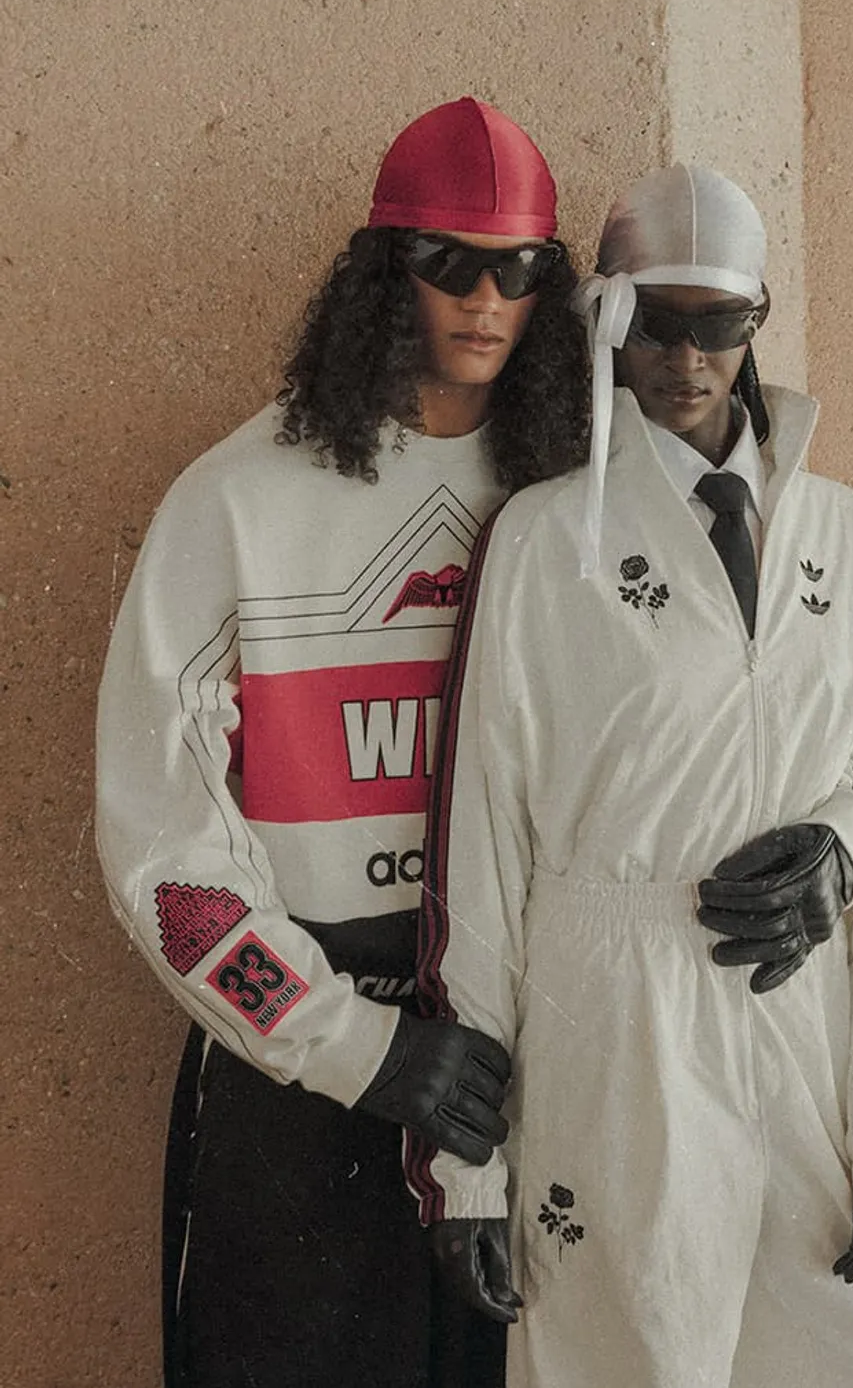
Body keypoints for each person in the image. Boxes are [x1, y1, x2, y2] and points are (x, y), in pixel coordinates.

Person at [410, 164, 853, 1386]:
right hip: (614, 1040)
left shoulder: (847, 540)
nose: (683, 356)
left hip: (806, 1026)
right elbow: (481, 848)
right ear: (604, 318)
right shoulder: (542, 543)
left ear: (758, 319)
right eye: (651, 320)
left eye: (717, 323)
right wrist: (465, 1166)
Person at [95, 96, 589, 1388]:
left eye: (520, 268)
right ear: (385, 273)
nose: (485, 297)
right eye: (448, 262)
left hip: (543, 1053)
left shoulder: (589, 506)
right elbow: (164, 849)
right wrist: (350, 1044)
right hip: (305, 1071)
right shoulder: (238, 503)